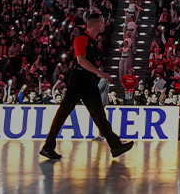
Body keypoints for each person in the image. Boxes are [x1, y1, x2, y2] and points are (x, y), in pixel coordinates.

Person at [40, 13, 135, 159]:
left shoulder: (93, 41)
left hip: (89, 81)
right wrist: (100, 73)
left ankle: (115, 145)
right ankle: (48, 146)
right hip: (79, 79)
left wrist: (97, 74)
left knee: (99, 115)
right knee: (64, 111)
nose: (104, 25)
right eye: (103, 22)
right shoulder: (81, 39)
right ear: (96, 24)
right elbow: (81, 60)